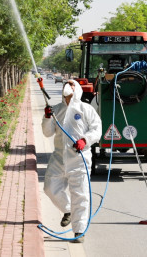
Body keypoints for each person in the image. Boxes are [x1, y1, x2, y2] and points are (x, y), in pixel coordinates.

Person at [42, 79, 102, 243]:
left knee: (80, 196)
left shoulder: (86, 109)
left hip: (79, 159)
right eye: (66, 84)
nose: (68, 86)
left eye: (72, 84)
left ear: (78, 89)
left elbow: (97, 130)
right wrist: (47, 118)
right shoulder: (55, 110)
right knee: (49, 187)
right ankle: (67, 210)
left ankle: (79, 232)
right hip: (59, 158)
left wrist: (85, 140)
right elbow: (47, 133)